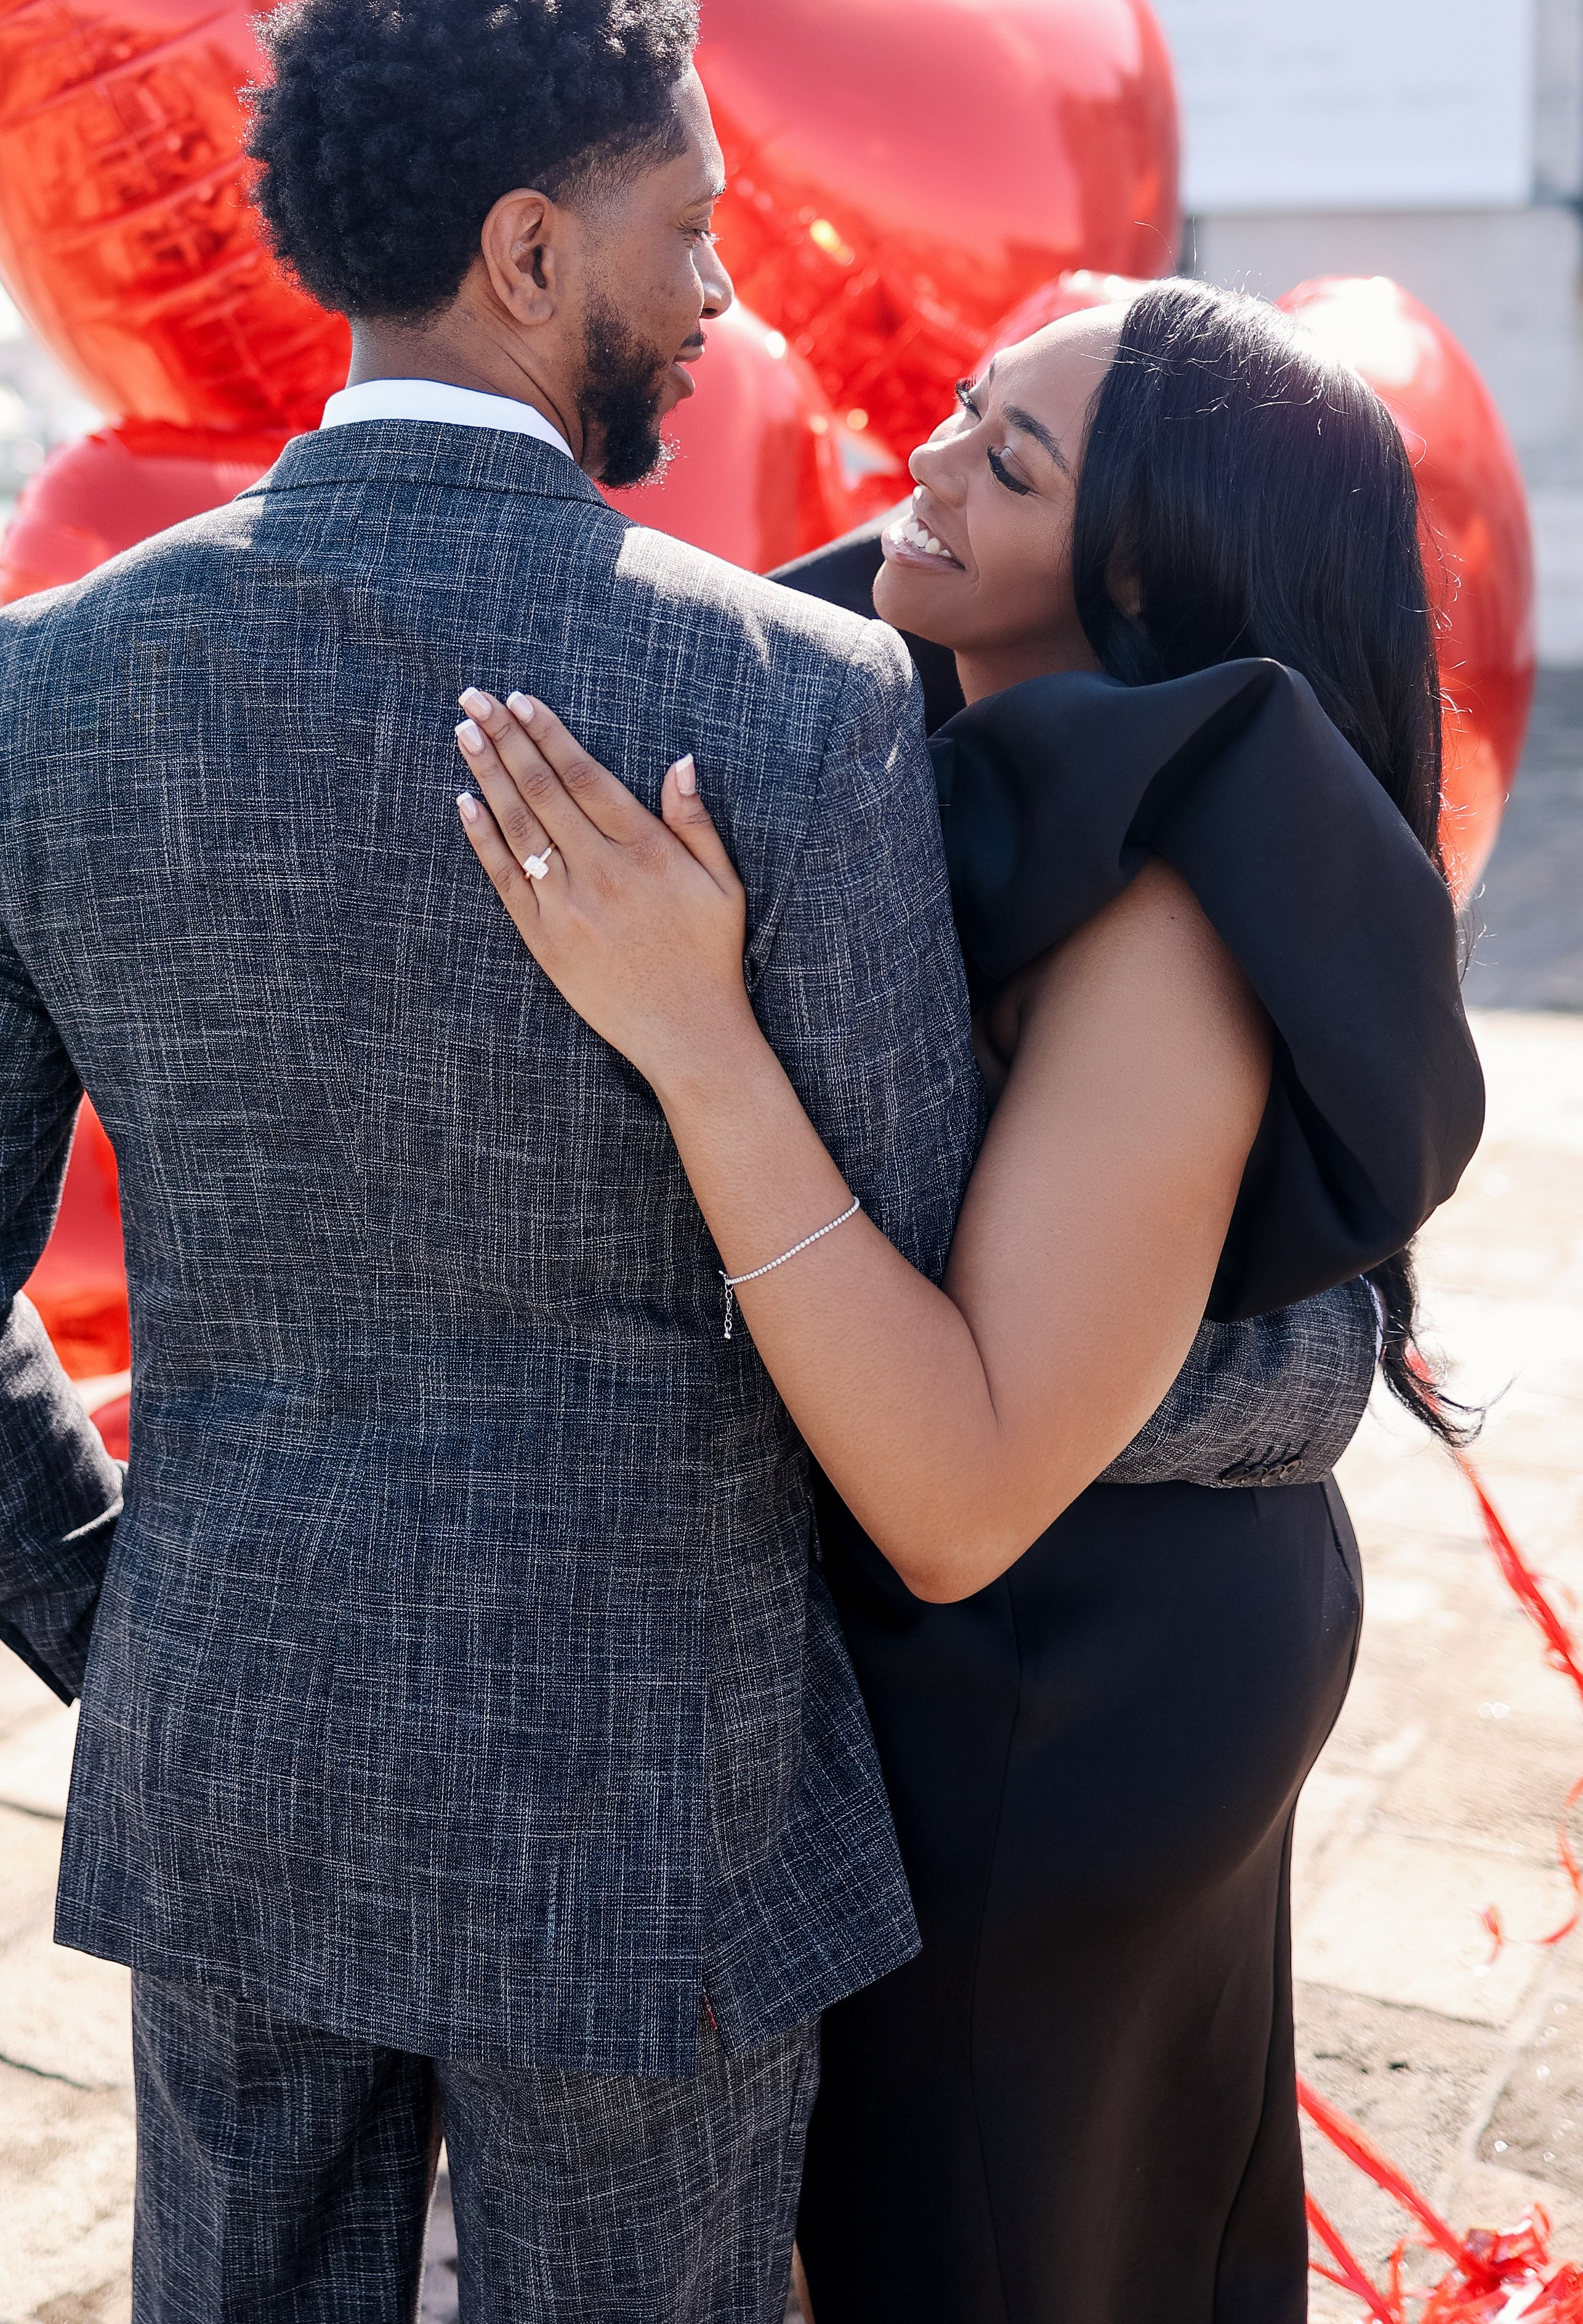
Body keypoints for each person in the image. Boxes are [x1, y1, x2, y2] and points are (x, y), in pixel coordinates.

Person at [0, 0, 1382, 2324]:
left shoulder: (37, 692)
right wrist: (1296, 1371)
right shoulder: (801, 704)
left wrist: (126, 1627)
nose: (729, 295)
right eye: (691, 232)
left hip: (236, 1768)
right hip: (662, 1827)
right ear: (532, 255)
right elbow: (931, 1305)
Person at [443, 281, 1484, 2324]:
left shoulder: (1171, 909)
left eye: (1009, 462)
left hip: (1063, 1694)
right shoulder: (917, 707)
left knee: (1003, 2251)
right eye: (967, 411)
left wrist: (697, 1037)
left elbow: (962, 1489)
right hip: (1035, 1645)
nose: (924, 465)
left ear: (1146, 569)